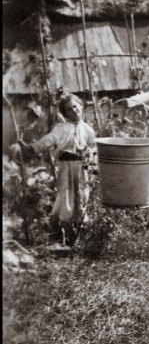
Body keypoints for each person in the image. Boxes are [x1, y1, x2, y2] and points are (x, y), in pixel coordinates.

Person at [13, 93, 96, 244]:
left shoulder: (88, 129)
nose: (74, 110)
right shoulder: (61, 129)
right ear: (66, 113)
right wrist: (31, 148)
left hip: (82, 167)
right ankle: (67, 236)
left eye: (76, 107)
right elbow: (47, 141)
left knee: (83, 197)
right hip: (65, 166)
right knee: (66, 198)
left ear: (81, 107)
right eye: (69, 109)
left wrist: (92, 160)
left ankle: (81, 237)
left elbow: (94, 148)